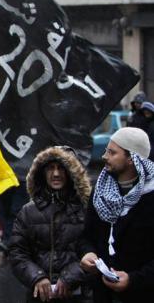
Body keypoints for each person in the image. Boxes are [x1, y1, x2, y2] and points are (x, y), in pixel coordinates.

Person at [79, 127, 154, 302]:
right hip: (103, 294)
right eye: (106, 150)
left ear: (131, 158)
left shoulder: (150, 196)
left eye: (112, 152)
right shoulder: (100, 190)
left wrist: (133, 280)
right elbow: (86, 236)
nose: (105, 156)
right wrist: (87, 253)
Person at [8, 146, 91, 302]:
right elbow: (17, 252)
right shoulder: (28, 212)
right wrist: (37, 278)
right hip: (39, 296)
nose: (56, 174)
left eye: (61, 168)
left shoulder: (85, 210)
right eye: (50, 168)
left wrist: (69, 278)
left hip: (77, 295)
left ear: (71, 173)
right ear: (41, 173)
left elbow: (95, 252)